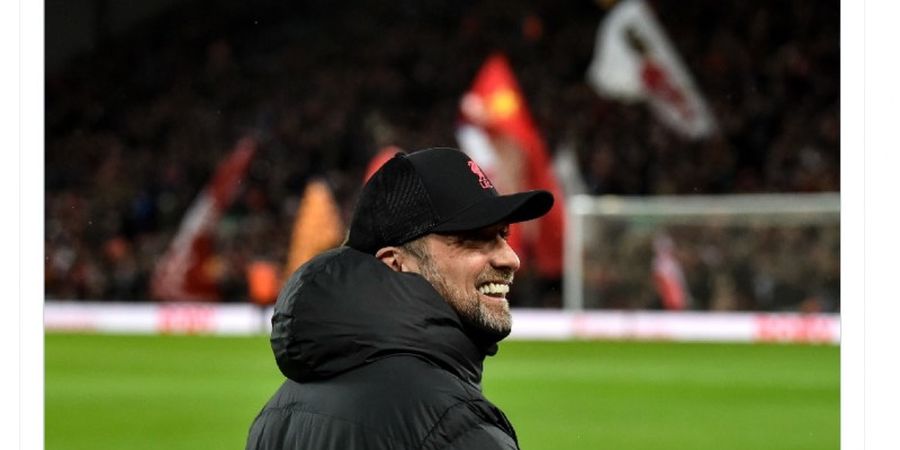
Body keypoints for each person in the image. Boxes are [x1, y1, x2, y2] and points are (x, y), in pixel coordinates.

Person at [245, 147, 554, 450]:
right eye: (474, 239)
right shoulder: (454, 428)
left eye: (503, 236)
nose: (510, 258)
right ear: (395, 263)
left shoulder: (275, 418)